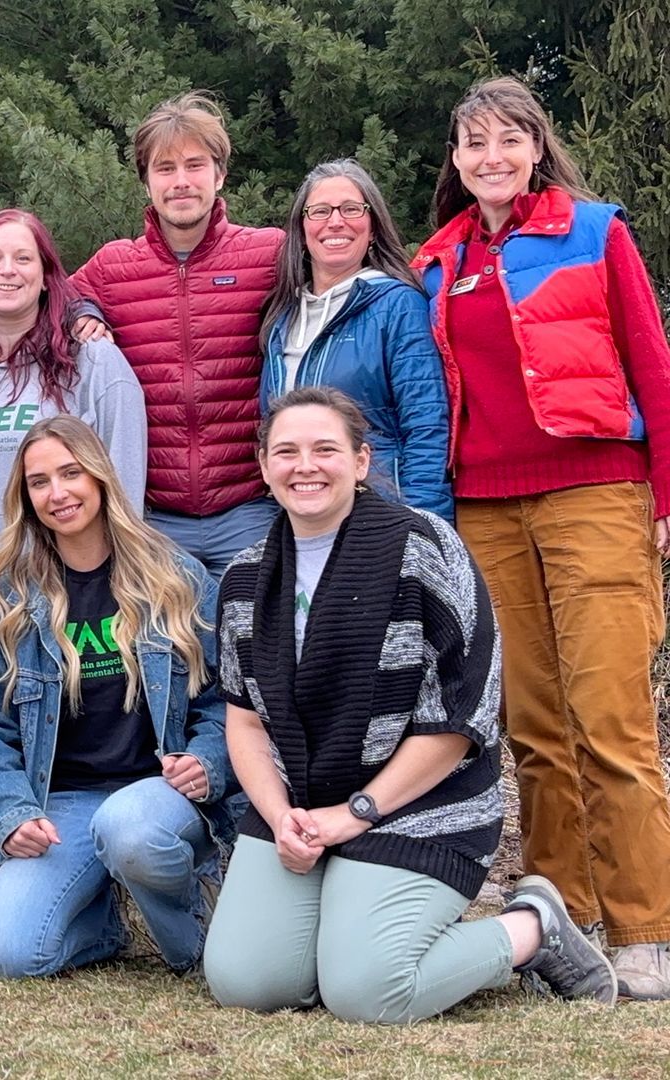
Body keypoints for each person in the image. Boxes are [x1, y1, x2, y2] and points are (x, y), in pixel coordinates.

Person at [203, 387, 618, 1022]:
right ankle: (343, 931)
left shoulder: (425, 549)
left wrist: (357, 812)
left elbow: (462, 714)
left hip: (420, 806)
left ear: (363, 461)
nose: (304, 466)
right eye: (285, 452)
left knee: (369, 992)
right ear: (263, 467)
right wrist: (281, 814)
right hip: (301, 808)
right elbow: (246, 719)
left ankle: (531, 931)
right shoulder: (243, 577)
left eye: (325, 449)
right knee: (247, 981)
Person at [410, 75, 670, 1000]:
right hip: (483, 507)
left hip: (596, 491)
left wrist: (664, 500)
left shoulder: (596, 232)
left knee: (611, 717)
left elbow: (652, 363)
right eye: (473, 143)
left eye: (508, 140)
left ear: (534, 147)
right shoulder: (436, 261)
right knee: (532, 725)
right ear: (455, 159)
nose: (491, 157)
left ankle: (644, 927)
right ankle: (560, 916)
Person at [0, 208, 146, 941]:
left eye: (25, 258)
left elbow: (123, 473)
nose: (8, 271)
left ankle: (89, 881)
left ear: (50, 275)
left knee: (69, 739)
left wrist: (118, 570)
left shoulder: (93, 363)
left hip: (62, 591)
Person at [0, 415, 238, 978]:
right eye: (39, 482)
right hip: (65, 804)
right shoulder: (10, 595)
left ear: (101, 478)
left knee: (128, 828)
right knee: (8, 954)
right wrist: (10, 812)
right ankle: (103, 923)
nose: (57, 493)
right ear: (26, 498)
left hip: (158, 798)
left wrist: (209, 762)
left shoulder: (176, 577)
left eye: (71, 473)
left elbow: (227, 698)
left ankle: (196, 946)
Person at [70, 91, 283, 577]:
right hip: (153, 517)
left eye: (195, 165)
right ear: (146, 181)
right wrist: (82, 311)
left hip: (249, 508)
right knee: (168, 649)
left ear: (220, 174)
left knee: (253, 645)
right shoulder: (113, 266)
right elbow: (50, 298)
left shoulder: (269, 254)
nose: (181, 182)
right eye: (165, 168)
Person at [259, 160, 452, 520]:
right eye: (319, 211)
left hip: (381, 512)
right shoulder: (281, 317)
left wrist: (425, 527)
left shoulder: (398, 306)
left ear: (373, 226)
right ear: (301, 230)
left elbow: (426, 426)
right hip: (301, 516)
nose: (336, 221)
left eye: (351, 209)